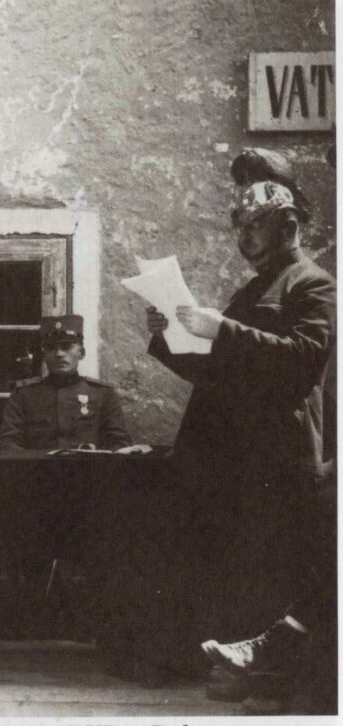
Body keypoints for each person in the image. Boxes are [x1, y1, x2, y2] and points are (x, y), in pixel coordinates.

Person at [143, 179, 336, 689]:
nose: (244, 237)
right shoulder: (250, 291)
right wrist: (167, 339)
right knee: (231, 565)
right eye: (240, 227)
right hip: (230, 454)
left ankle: (267, 681)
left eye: (256, 226)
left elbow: (303, 359)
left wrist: (221, 329)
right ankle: (231, 670)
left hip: (275, 454)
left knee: (270, 568)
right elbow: (222, 374)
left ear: (288, 227)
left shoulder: (313, 284)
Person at [0, 314, 133, 451]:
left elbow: (120, 443)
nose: (59, 354)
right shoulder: (24, 394)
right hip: (38, 465)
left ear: (81, 353)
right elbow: (8, 442)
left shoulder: (103, 394)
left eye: (66, 347)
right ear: (44, 355)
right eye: (51, 348)